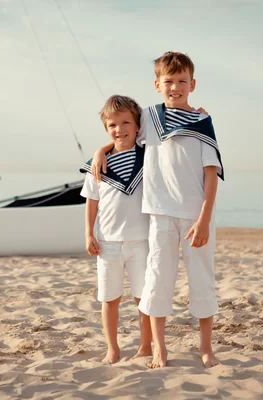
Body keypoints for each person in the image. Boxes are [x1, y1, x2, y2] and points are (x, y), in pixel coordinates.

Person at [91, 51, 224, 369]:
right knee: (157, 280)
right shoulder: (149, 116)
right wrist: (101, 149)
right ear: (156, 84)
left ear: (193, 84)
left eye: (181, 81)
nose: (175, 87)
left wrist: (204, 219)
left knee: (201, 279)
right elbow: (123, 132)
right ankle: (160, 350)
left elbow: (210, 173)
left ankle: (205, 348)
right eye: (168, 82)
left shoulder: (203, 121)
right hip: (159, 214)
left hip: (196, 217)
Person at [79, 94, 152, 364]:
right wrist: (89, 233)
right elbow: (92, 202)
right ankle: (113, 349)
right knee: (109, 299)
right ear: (106, 128)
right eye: (112, 125)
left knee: (143, 298)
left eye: (125, 123)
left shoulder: (147, 156)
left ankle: (145, 346)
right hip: (107, 243)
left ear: (137, 126)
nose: (119, 130)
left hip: (141, 241)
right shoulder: (98, 164)